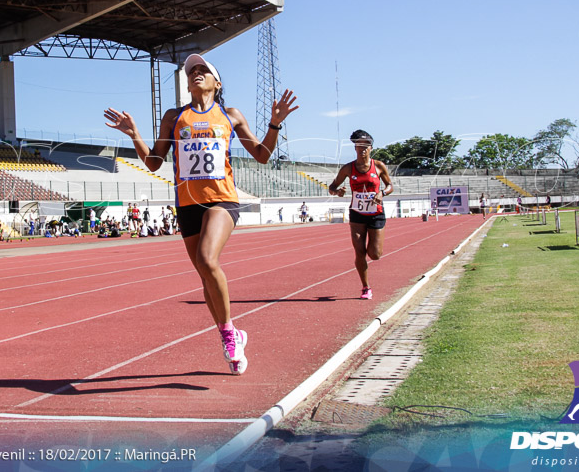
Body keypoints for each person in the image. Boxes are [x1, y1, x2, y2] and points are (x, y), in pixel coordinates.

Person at [105, 52, 297, 375]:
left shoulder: (230, 115)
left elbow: (262, 155)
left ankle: (227, 335)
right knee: (206, 277)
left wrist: (275, 123)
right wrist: (134, 134)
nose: (195, 72)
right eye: (191, 70)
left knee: (208, 260)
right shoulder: (173, 117)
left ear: (216, 82)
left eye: (202, 70)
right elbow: (154, 162)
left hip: (222, 200)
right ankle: (232, 333)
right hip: (187, 205)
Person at [328, 130, 394, 300]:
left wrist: (382, 193)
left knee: (375, 255)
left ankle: (368, 267)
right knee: (359, 252)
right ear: (355, 148)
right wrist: (338, 192)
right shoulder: (348, 168)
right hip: (357, 214)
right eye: (359, 146)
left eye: (365, 146)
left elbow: (390, 186)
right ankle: (365, 287)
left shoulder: (378, 166)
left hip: (376, 213)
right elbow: (332, 187)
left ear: (371, 148)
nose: (362, 149)